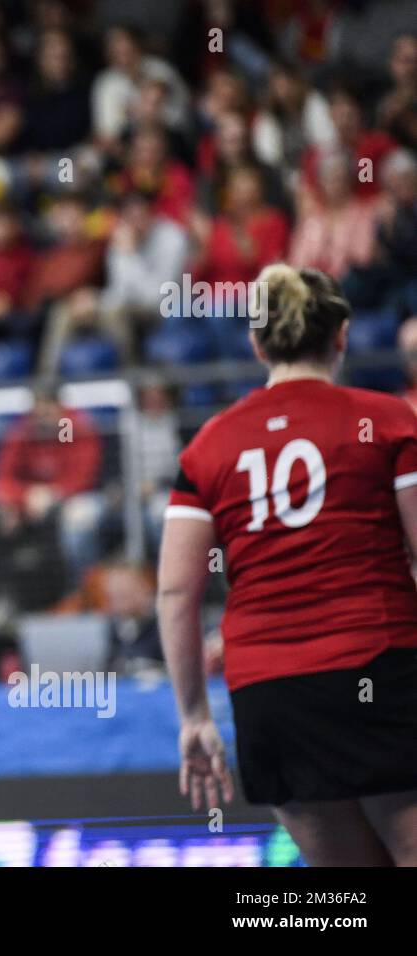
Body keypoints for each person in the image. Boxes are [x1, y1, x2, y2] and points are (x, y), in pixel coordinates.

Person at [158, 263, 417, 866]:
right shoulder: (387, 421)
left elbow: (175, 595)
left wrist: (193, 716)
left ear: (257, 344)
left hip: (270, 692)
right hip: (379, 665)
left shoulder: (209, 445)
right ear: (342, 336)